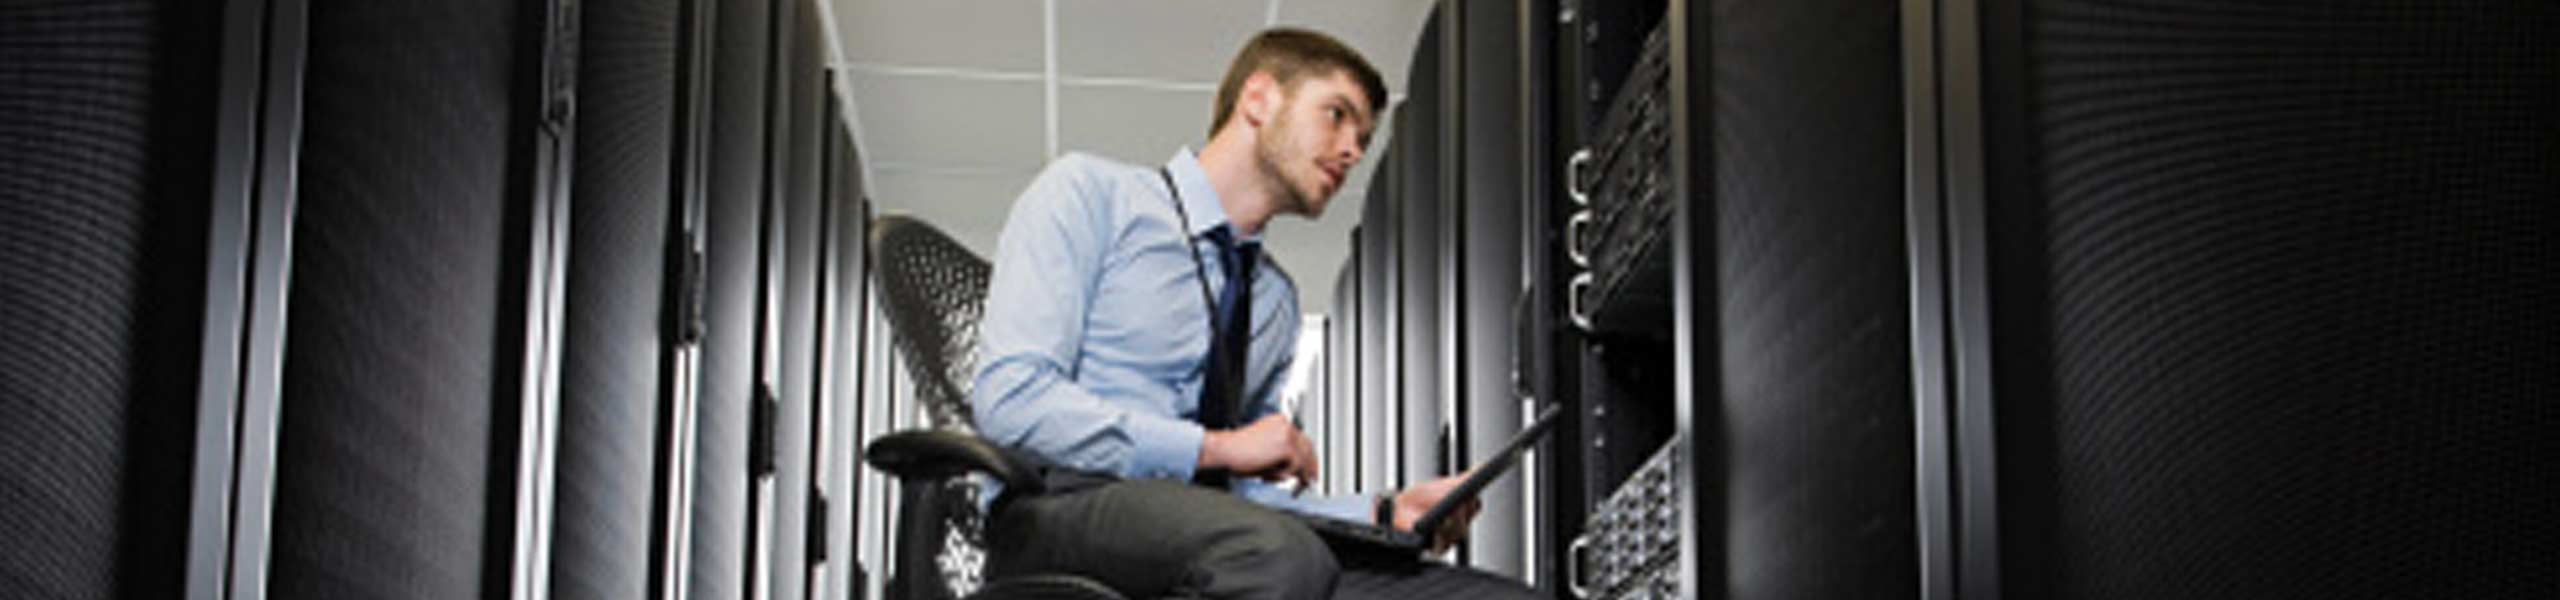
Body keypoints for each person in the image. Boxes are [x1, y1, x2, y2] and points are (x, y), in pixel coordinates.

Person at [969, 27, 1542, 600]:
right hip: (1058, 509)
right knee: (1275, 557)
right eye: (1336, 115)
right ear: (1259, 98)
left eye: (1364, 138)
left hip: (1221, 536)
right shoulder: (1091, 195)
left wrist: (1384, 509)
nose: (1352, 151)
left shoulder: (1273, 301)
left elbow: (1244, 494)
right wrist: (1213, 446)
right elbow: (1011, 398)